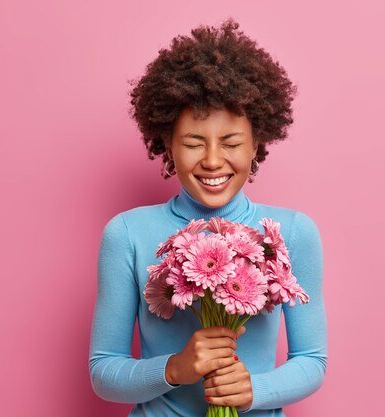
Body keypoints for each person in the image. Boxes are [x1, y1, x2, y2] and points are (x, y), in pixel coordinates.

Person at [89, 18, 327, 417]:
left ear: (257, 145)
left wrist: (255, 390)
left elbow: (312, 360)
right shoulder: (126, 234)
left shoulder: (294, 232)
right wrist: (176, 368)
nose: (213, 160)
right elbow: (103, 371)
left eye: (231, 142)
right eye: (193, 143)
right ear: (167, 145)